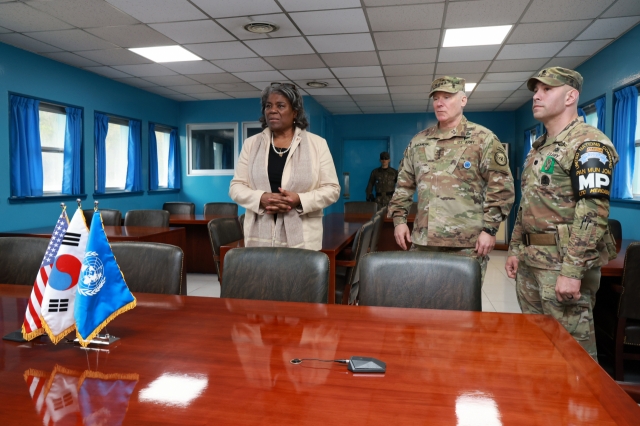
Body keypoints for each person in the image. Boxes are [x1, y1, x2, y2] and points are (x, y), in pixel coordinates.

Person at [505, 67, 618, 360]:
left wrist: (571, 272)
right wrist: (516, 248)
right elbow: (527, 203)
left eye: (547, 90)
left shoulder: (588, 143)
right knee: (537, 350)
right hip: (532, 264)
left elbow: (592, 212)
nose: (536, 96)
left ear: (571, 96)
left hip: (561, 267)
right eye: (535, 91)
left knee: (572, 358)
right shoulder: (538, 148)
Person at [388, 76, 514, 282]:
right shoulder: (419, 142)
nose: (440, 102)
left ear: (463, 100)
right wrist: (399, 220)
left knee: (461, 308)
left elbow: (501, 187)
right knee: (421, 304)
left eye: (447, 96)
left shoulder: (483, 139)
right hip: (423, 242)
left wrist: (490, 230)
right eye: (436, 98)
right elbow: (404, 184)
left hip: (466, 244)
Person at [229, 83, 340, 250]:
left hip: (303, 239)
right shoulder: (251, 144)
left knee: (298, 277)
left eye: (280, 105)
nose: (272, 110)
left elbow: (332, 189)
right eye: (268, 106)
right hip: (259, 238)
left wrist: (299, 200)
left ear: (295, 112)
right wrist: (261, 198)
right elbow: (236, 187)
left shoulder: (317, 144)